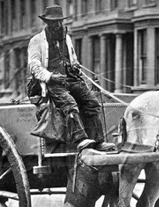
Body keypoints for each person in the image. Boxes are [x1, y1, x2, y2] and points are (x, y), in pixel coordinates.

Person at [28, 5, 114, 151]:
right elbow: (34, 66)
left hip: (71, 80)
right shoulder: (36, 41)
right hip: (51, 84)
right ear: (47, 23)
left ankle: (98, 141)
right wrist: (51, 77)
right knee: (70, 104)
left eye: (60, 21)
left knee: (92, 102)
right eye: (54, 22)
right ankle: (80, 139)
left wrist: (75, 66)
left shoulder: (66, 38)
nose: (58, 25)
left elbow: (73, 59)